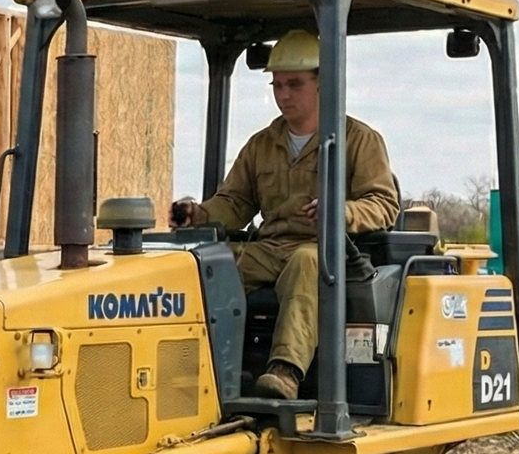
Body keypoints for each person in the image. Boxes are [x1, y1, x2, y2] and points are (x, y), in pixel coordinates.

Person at [168, 30, 397, 399]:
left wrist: (342, 212)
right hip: (270, 247)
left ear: (324, 83)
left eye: (294, 84)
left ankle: (285, 372)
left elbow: (384, 204)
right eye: (277, 85)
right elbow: (236, 202)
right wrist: (199, 213)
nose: (283, 95)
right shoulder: (262, 144)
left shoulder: (358, 141)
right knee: (204, 266)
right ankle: (190, 369)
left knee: (308, 263)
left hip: (329, 250)